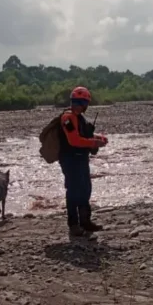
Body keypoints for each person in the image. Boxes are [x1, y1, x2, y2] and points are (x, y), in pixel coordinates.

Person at [58, 86, 109, 237]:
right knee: (73, 191)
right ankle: (73, 225)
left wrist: (98, 138)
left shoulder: (79, 117)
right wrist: (93, 143)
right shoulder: (67, 118)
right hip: (70, 159)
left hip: (81, 158)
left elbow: (84, 135)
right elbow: (73, 140)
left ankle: (85, 221)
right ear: (83, 103)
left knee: (85, 189)